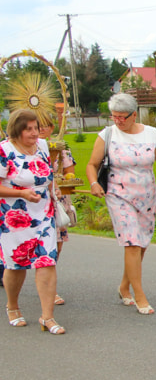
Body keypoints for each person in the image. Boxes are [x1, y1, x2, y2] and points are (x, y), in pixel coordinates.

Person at [86, 93, 156, 315]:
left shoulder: (152, 134)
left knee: (141, 244)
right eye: (114, 116)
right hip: (118, 195)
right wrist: (94, 182)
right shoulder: (107, 135)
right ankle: (139, 295)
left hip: (146, 195)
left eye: (122, 117)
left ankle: (124, 286)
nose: (118, 121)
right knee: (132, 243)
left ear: (134, 115)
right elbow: (92, 164)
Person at [0, 109, 65, 334]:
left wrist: (52, 189)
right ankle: (13, 306)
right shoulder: (4, 150)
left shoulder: (44, 147)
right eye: (28, 129)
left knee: (47, 261)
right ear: (16, 130)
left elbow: (48, 175)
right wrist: (21, 194)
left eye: (35, 128)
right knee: (16, 265)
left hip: (43, 214)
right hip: (14, 217)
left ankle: (47, 317)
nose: (34, 133)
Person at [40, 115, 75, 306]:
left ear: (53, 127)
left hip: (58, 198)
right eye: (38, 126)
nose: (42, 129)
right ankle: (45, 287)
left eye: (46, 125)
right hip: (37, 199)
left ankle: (49, 285)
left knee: (58, 244)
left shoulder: (61, 147)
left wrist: (65, 179)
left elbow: (71, 170)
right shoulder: (30, 148)